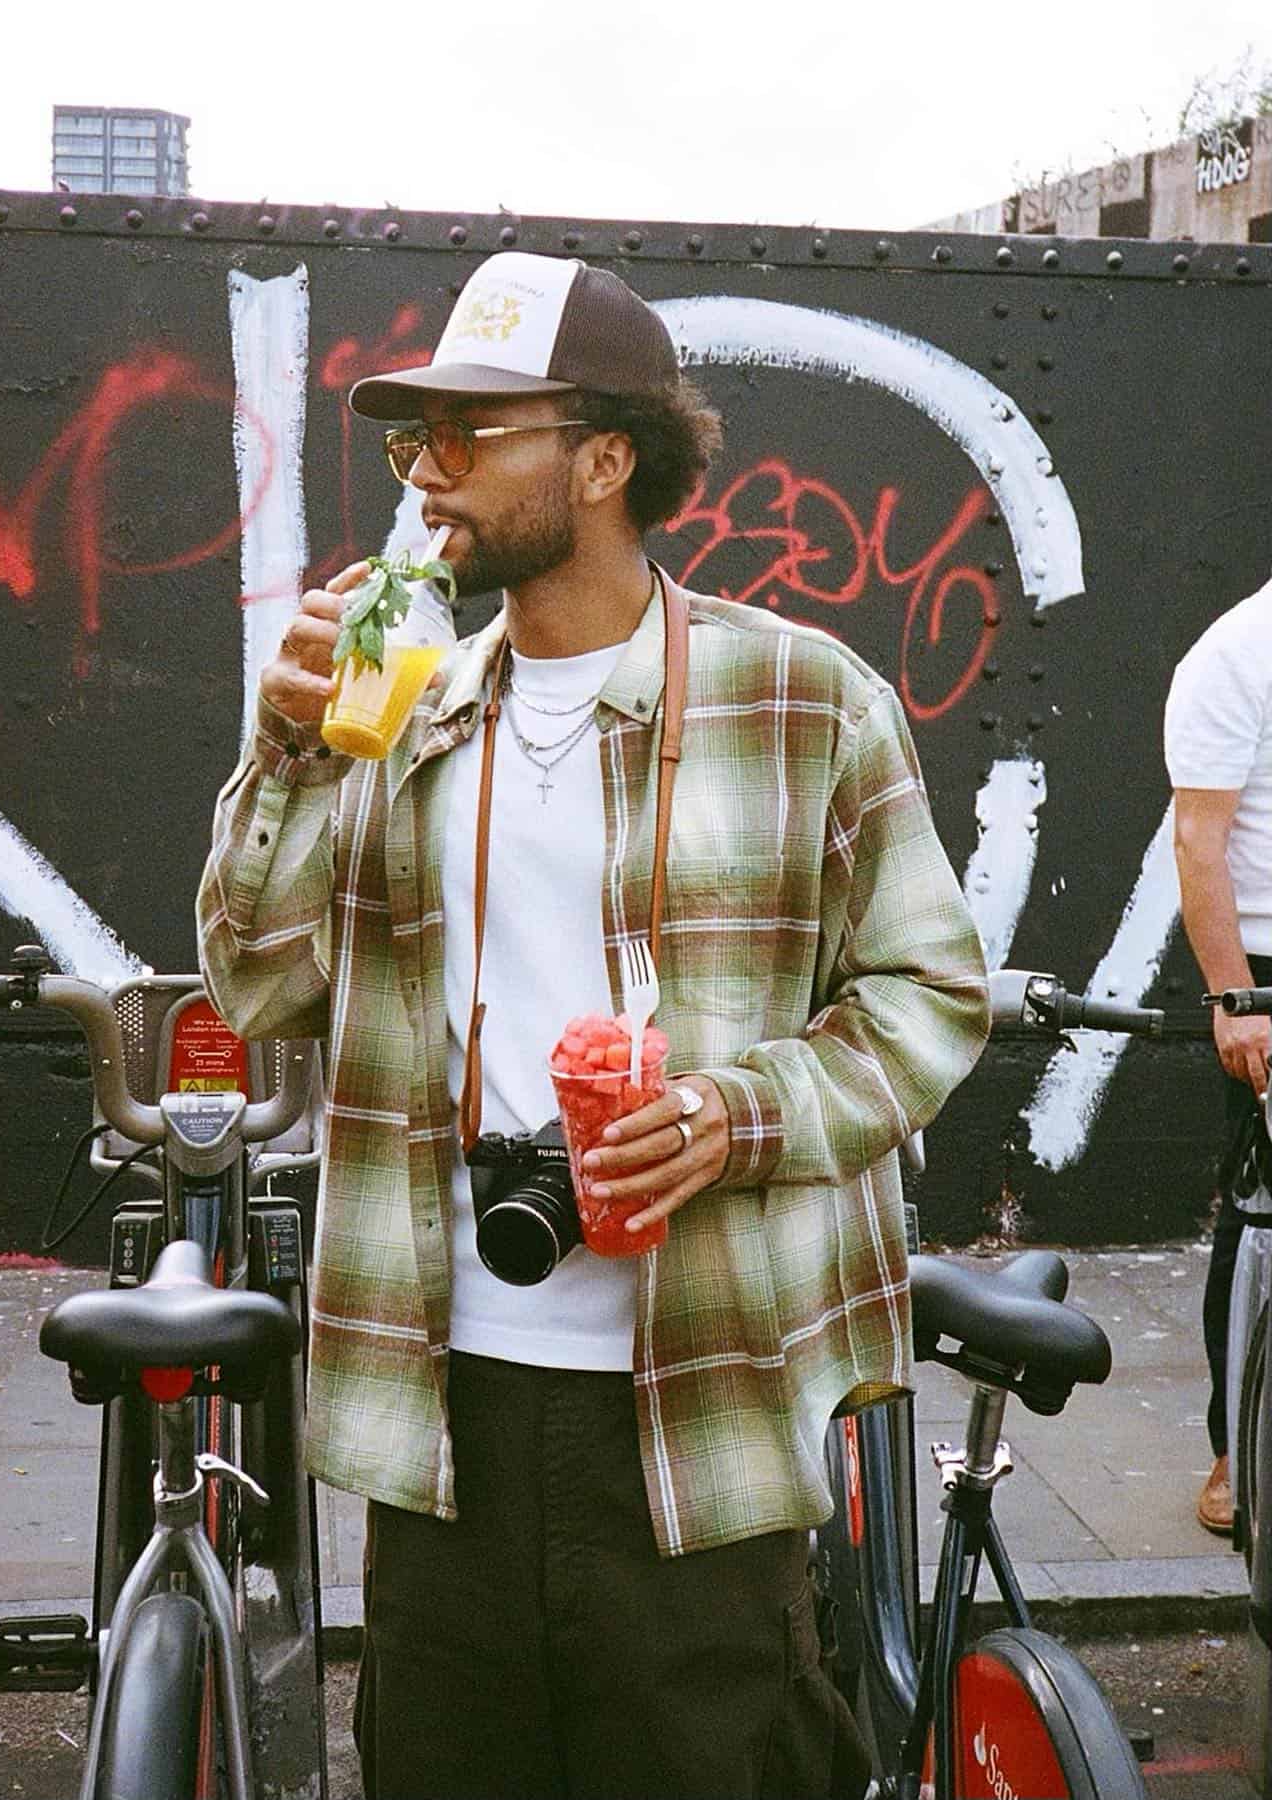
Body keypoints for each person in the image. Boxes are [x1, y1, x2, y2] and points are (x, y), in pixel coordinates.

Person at [198, 250, 990, 1799]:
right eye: (412, 435)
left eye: (473, 431)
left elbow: (931, 996)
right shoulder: (399, 704)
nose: (429, 470)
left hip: (700, 1404)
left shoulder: (802, 698)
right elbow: (256, 985)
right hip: (444, 1402)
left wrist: (736, 1113)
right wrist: (286, 749)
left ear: (608, 456)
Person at [1165, 575, 1272, 1535]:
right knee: (1263, 1229)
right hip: (1271, 977)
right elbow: (1198, 840)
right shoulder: (1238, 653)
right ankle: (1239, 1452)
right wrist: (1235, 999)